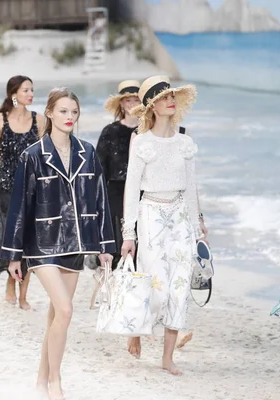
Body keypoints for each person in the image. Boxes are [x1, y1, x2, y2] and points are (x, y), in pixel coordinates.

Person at [1, 87, 115, 399]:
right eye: (63, 111)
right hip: (42, 244)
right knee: (65, 311)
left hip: (77, 244)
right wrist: (13, 255)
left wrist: (105, 246)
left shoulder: (87, 152)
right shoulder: (33, 156)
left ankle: (41, 377)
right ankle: (56, 381)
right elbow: (19, 207)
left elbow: (101, 199)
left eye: (74, 112)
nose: (69, 117)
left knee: (56, 315)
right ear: (49, 113)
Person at [121, 75, 203, 375]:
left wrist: (196, 227)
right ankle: (136, 330)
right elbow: (131, 189)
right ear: (153, 106)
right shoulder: (141, 143)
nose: (172, 100)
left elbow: (193, 186)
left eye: (173, 96)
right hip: (151, 214)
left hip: (180, 215)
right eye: (165, 97)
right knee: (156, 287)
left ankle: (168, 358)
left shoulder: (186, 142)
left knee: (179, 287)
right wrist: (128, 233)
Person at [0, 75, 45, 310]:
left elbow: (43, 157)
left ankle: (23, 295)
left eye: (32, 90)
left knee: (27, 240)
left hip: (32, 188)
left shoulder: (38, 119)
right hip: (8, 188)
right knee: (13, 240)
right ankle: (11, 280)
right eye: (26, 90)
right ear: (14, 93)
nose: (30, 94)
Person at [96, 80, 140, 268]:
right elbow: (99, 170)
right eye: (128, 101)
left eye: (136, 100)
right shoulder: (110, 131)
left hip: (143, 194)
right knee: (118, 244)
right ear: (121, 104)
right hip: (115, 193)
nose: (132, 105)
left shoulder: (148, 131)